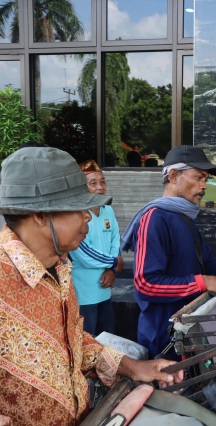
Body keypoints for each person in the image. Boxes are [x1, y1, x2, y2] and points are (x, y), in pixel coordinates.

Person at [0, 147, 183, 426]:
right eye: (78, 208)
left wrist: (134, 368)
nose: (88, 216)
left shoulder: (59, 268)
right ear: (39, 214)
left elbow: (76, 344)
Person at [121, 145, 216, 360]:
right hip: (164, 339)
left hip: (190, 336)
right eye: (198, 178)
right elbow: (145, 284)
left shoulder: (183, 216)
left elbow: (205, 259)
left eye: (205, 180)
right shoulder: (155, 218)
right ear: (173, 176)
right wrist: (204, 282)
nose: (203, 186)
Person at [68, 160, 123, 335]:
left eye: (102, 181)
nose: (100, 187)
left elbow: (115, 239)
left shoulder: (108, 209)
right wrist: (114, 262)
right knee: (86, 343)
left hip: (105, 290)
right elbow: (81, 252)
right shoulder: (76, 214)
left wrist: (113, 270)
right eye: (93, 183)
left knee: (107, 340)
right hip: (83, 293)